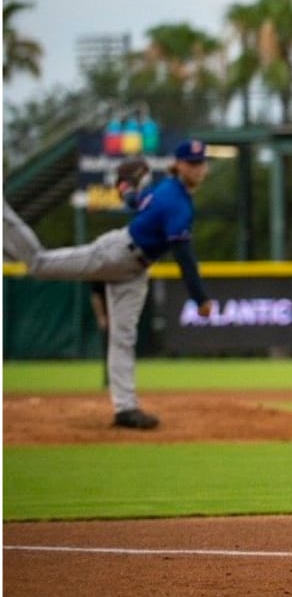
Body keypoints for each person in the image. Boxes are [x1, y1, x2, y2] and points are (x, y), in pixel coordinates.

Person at [2, 139, 216, 430]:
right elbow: (184, 256)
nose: (199, 168)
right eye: (193, 163)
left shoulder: (167, 190)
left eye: (202, 162)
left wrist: (126, 189)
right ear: (178, 165)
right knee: (40, 264)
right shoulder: (176, 202)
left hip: (134, 270)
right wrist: (200, 297)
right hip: (116, 254)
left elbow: (136, 202)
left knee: (123, 337)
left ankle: (125, 408)